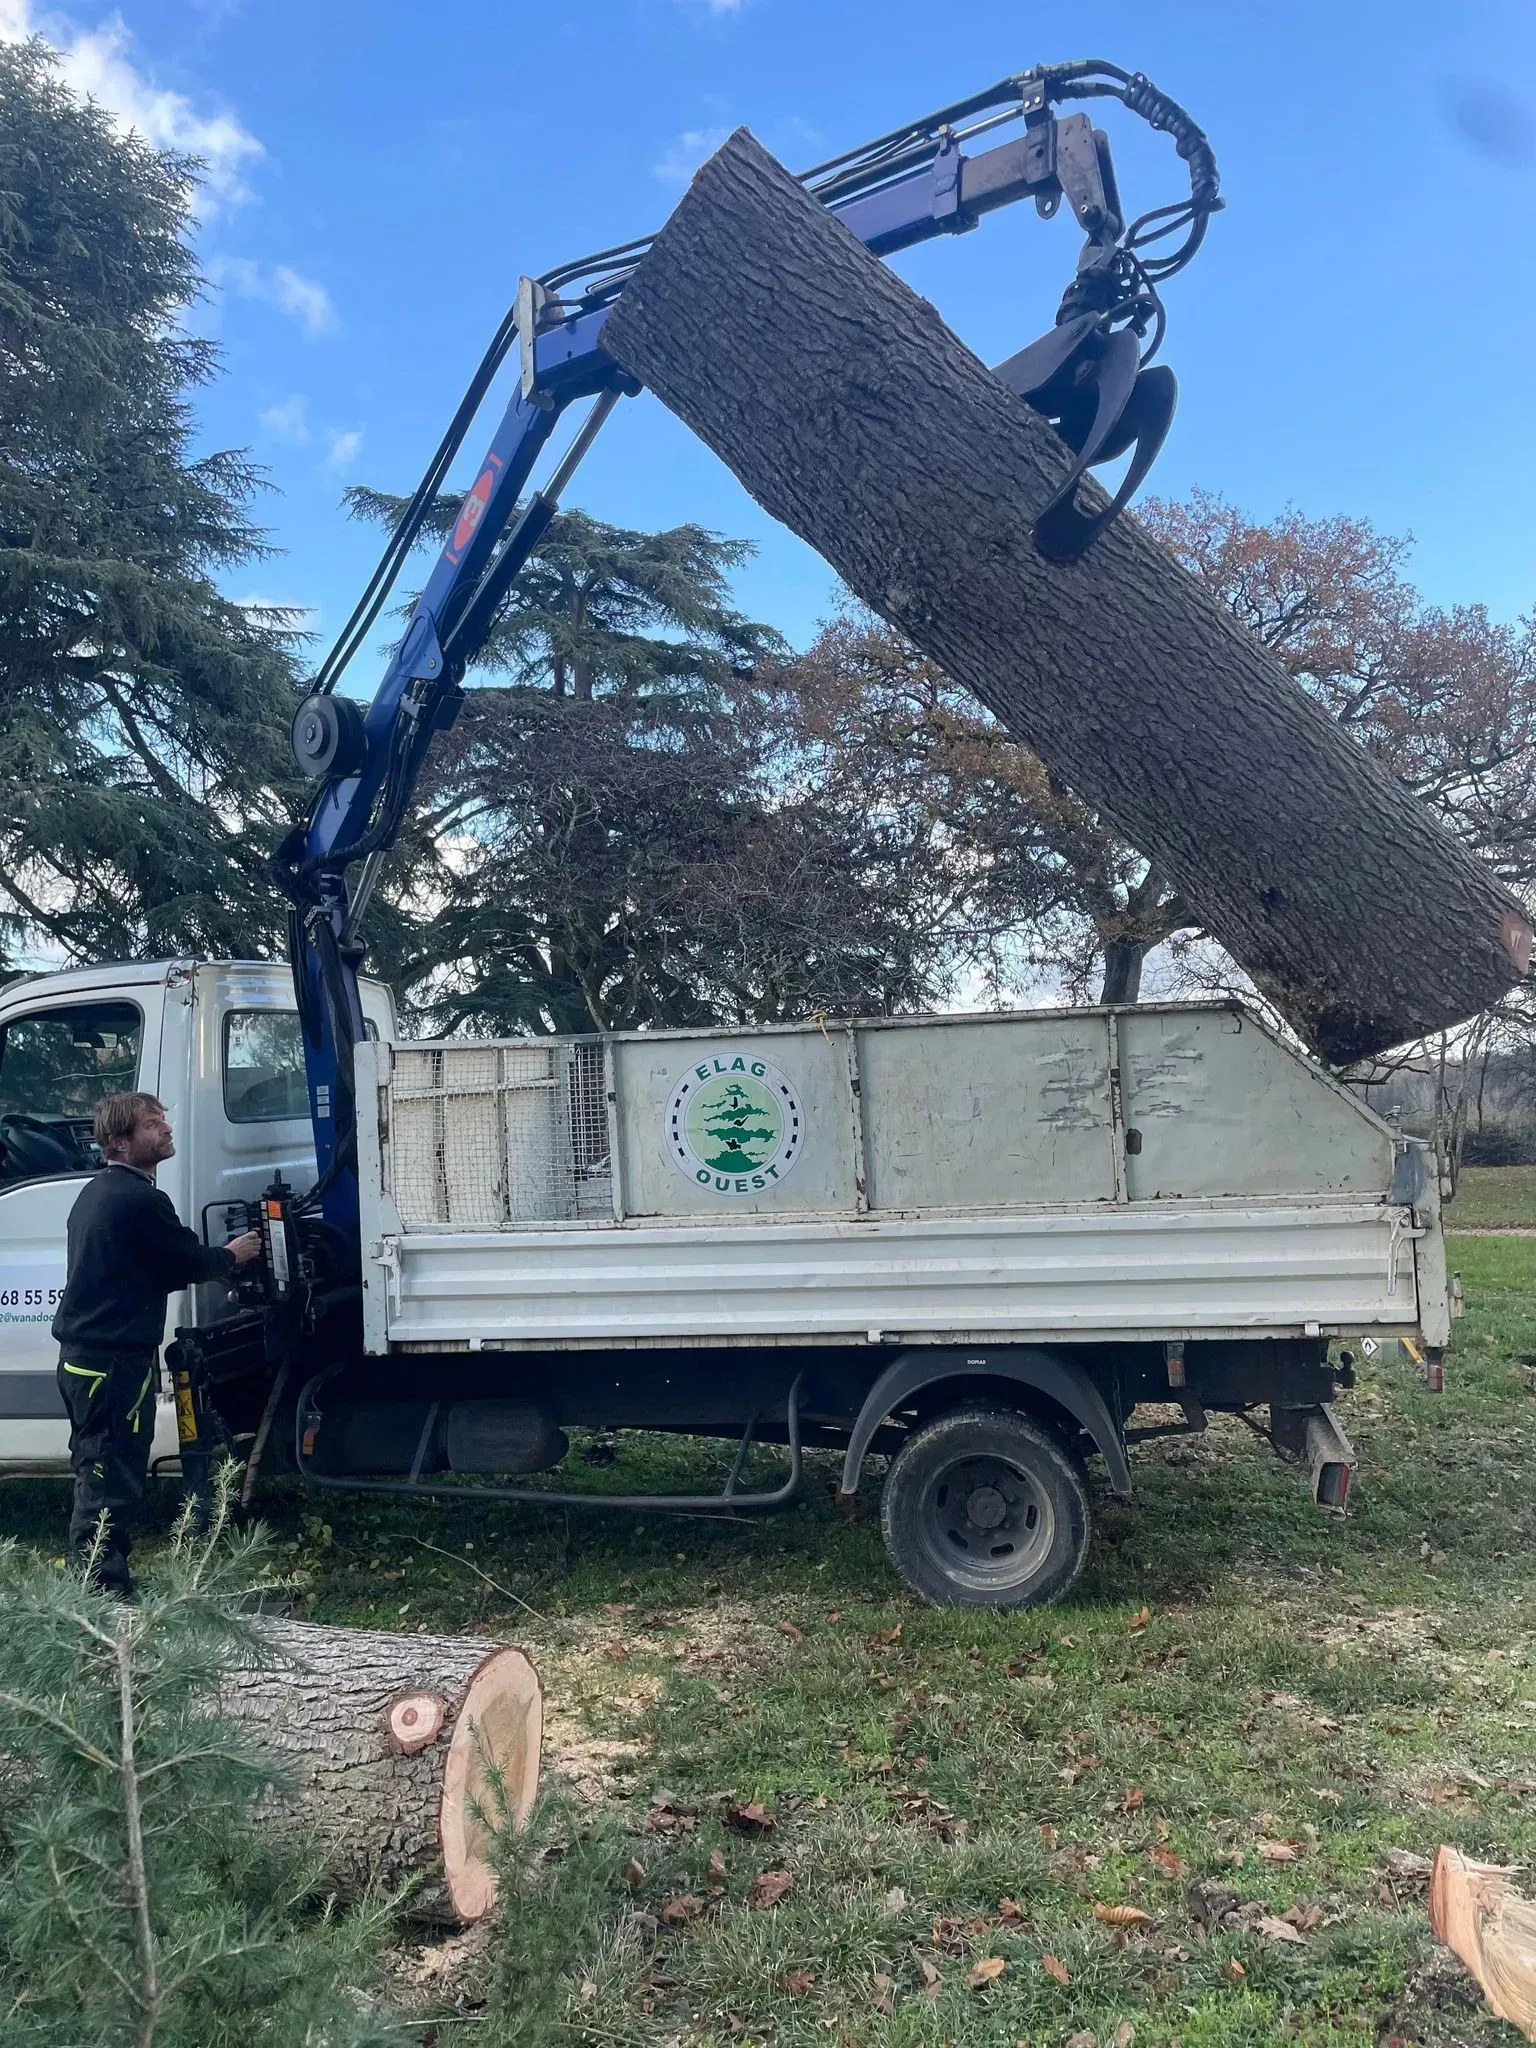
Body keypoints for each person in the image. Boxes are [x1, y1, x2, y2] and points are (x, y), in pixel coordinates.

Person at [50, 1091, 261, 1595]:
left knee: (100, 1465)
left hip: (91, 1360)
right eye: (151, 1124)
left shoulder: (99, 1192)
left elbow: (144, 1267)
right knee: (109, 1475)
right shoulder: (140, 1199)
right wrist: (234, 1256)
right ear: (120, 1142)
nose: (165, 1129)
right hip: (111, 1364)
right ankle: (104, 1595)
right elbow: (185, 1260)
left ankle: (101, 1584)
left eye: (162, 1120)